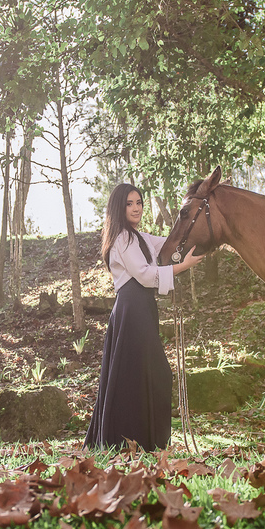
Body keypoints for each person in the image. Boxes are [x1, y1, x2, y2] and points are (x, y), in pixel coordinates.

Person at [84, 183, 205, 451]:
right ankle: (133, 439)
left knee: (143, 374)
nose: (136, 208)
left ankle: (142, 440)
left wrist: (201, 239)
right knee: (153, 373)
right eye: (130, 203)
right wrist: (183, 267)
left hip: (142, 308)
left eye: (139, 202)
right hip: (131, 308)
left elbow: (170, 245)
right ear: (119, 207)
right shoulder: (122, 239)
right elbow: (146, 275)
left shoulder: (139, 236)